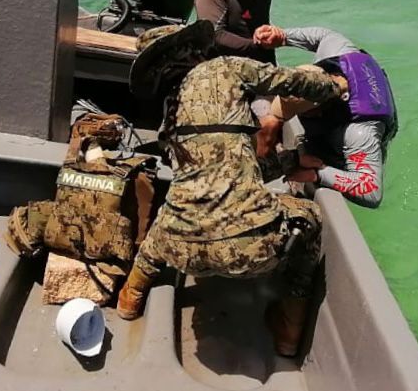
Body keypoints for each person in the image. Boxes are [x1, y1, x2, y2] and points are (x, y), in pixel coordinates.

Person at [116, 20, 346, 357]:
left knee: (166, 223)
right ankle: (288, 331)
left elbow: (215, 174)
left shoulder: (169, 114)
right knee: (309, 218)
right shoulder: (225, 68)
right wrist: (334, 84)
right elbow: (290, 81)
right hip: (252, 251)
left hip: (183, 254)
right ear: (193, 49)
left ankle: (129, 298)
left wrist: (290, 161)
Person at [252, 25, 398, 209]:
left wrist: (318, 174)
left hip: (360, 124)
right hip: (354, 88)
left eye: (298, 112)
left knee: (336, 158)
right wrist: (283, 37)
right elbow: (323, 36)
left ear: (317, 110)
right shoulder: (338, 51)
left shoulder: (360, 134)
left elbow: (372, 192)